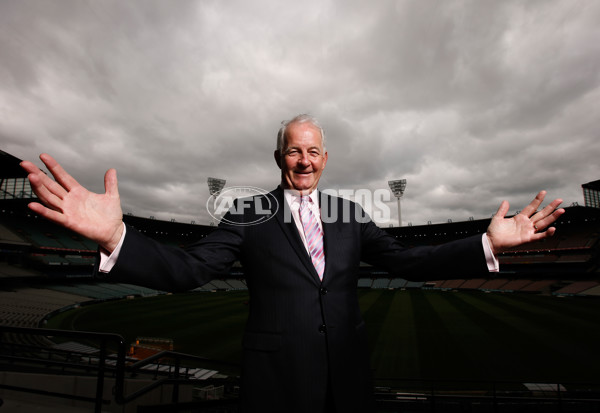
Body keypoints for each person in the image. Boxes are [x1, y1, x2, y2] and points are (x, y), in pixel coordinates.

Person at [21, 114, 564, 413]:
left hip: (349, 379)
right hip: (276, 384)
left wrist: (485, 245)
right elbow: (190, 271)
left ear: (325, 159)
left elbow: (409, 261)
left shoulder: (350, 214)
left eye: (313, 152)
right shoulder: (249, 213)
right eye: (293, 150)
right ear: (279, 156)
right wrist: (116, 234)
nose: (303, 160)